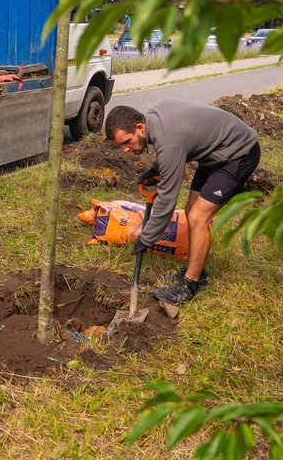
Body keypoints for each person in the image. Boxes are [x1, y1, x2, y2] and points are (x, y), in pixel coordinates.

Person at [105, 101, 260, 308]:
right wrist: (156, 169)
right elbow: (171, 150)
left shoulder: (170, 141)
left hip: (239, 153)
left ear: (139, 128)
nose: (125, 149)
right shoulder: (152, 118)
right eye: (121, 146)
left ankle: (190, 284)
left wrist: (146, 237)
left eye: (127, 141)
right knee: (191, 210)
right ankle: (197, 268)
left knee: (198, 217)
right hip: (214, 153)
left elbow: (167, 201)